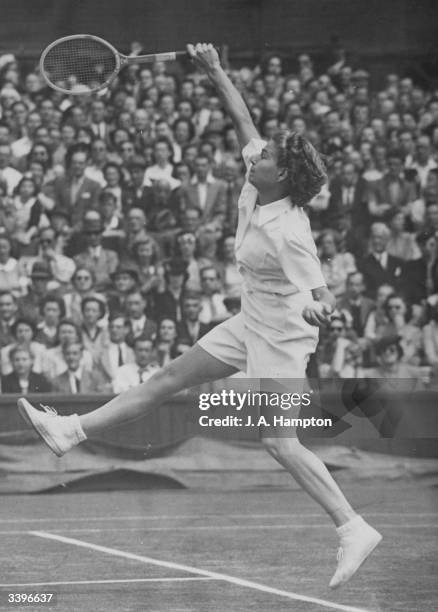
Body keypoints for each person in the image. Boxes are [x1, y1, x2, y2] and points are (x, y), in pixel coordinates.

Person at [17, 43, 381, 589]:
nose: (252, 157)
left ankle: (353, 528)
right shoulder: (261, 179)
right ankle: (71, 429)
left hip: (283, 335)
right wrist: (215, 70)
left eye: (264, 159)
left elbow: (323, 295)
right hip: (250, 320)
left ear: (281, 177)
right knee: (166, 379)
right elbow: (243, 119)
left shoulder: (291, 232)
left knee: (279, 443)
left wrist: (319, 308)